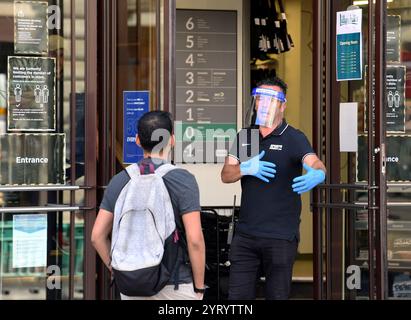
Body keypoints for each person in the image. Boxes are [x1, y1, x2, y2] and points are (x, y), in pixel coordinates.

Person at [221, 77, 326, 300]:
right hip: (246, 235)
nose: (265, 103)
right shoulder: (245, 137)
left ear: (282, 105)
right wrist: (244, 168)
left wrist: (319, 173)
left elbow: (314, 162)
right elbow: (226, 175)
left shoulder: (294, 138)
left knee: (277, 296)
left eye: (271, 99)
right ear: (256, 103)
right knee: (237, 298)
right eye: (260, 98)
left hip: (280, 236)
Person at [92, 111, 206, 300]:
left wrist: (119, 268)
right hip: (175, 284)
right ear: (172, 140)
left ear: (137, 140)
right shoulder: (183, 180)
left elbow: (97, 236)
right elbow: (195, 240)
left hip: (131, 285)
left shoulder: (120, 180)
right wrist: (200, 288)